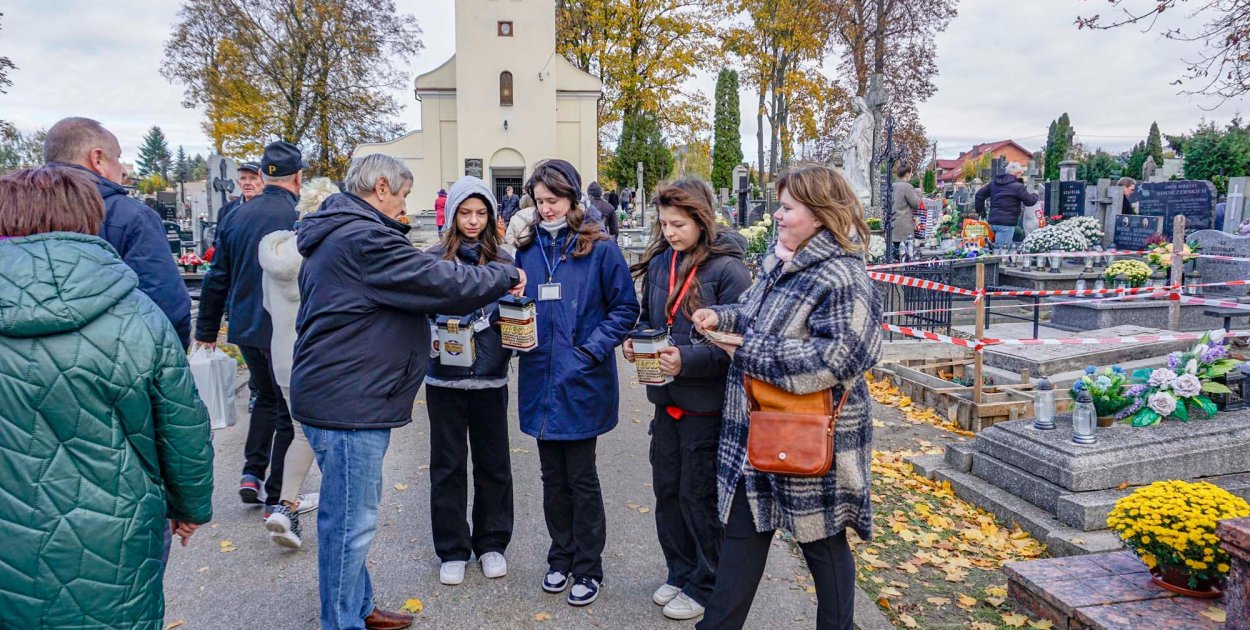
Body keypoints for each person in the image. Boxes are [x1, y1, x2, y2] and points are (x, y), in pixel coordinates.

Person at [291, 154, 524, 630]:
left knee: (351, 518)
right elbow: (439, 280)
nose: (402, 205)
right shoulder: (362, 236)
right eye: (400, 195)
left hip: (346, 391)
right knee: (349, 528)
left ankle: (358, 606)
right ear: (380, 187)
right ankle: (343, 622)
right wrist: (503, 274)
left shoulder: (344, 231)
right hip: (347, 399)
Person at [0, 166, 214, 629]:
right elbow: (182, 427)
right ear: (90, 218)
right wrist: (189, 507)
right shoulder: (139, 315)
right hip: (113, 531)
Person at [691, 164, 882, 630]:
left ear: (818, 215)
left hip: (809, 434)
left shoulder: (842, 276)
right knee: (742, 536)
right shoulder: (781, 264)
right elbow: (754, 314)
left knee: (823, 545)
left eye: (787, 207)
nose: (777, 215)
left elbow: (845, 355)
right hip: (758, 433)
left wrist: (749, 349)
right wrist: (722, 318)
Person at [514, 159, 640, 607]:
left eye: (553, 201)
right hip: (539, 375)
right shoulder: (527, 248)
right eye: (539, 201)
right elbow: (522, 302)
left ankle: (589, 566)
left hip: (581, 378)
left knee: (581, 476)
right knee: (552, 477)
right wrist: (515, 322)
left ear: (571, 199)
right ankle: (560, 556)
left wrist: (589, 350)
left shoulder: (599, 248)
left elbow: (625, 309)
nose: (545, 209)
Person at [623, 179, 751, 621]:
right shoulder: (662, 261)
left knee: (699, 497)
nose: (670, 231)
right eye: (664, 223)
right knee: (668, 492)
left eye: (678, 224)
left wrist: (687, 360)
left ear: (701, 219)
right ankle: (679, 570)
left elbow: (735, 344)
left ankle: (706, 581)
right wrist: (636, 341)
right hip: (666, 397)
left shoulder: (728, 271)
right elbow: (649, 316)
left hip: (705, 403)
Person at [196, 141, 303, 512]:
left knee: (264, 399)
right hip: (282, 326)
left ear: (262, 175)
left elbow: (217, 275)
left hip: (244, 325)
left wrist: (206, 330)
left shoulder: (236, 216)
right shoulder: (297, 216)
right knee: (289, 408)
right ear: (299, 176)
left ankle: (251, 472)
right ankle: (279, 493)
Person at [424, 176, 517, 586]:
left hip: (490, 378)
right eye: (466, 212)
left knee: (493, 464)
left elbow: (516, 315)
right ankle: (452, 548)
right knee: (447, 466)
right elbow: (419, 309)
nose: (473, 221)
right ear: (454, 215)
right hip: (444, 379)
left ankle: (492, 542)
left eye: (481, 213)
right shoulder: (433, 260)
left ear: (492, 217)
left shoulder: (505, 264)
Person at [42, 116, 192, 349]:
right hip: (109, 364)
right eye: (119, 158)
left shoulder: (12, 209)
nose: (123, 171)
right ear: (97, 158)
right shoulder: (130, 216)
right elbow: (166, 306)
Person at [257, 176, 340, 549]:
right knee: (330, 437)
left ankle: (286, 505)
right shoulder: (325, 252)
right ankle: (331, 510)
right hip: (319, 355)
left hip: (282, 354)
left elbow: (266, 306)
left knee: (301, 430)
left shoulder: (275, 253)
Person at [974, 162, 1038, 248]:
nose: (1021, 176)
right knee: (1001, 253)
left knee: (1009, 248)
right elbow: (1029, 201)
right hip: (1006, 224)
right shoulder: (1018, 186)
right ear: (1017, 173)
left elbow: (979, 195)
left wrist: (981, 211)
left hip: (992, 222)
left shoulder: (994, 183)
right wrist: (1035, 195)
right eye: (1021, 174)